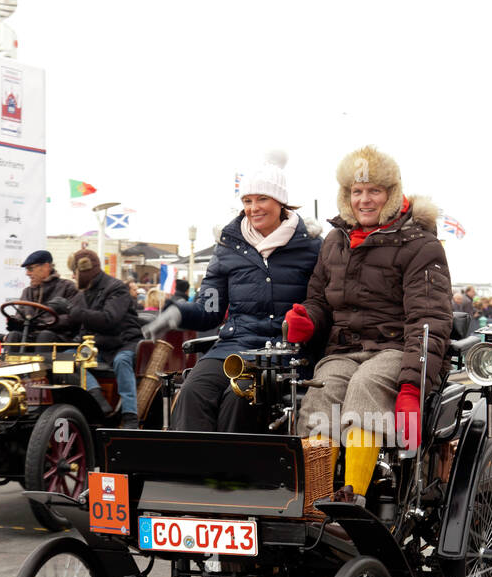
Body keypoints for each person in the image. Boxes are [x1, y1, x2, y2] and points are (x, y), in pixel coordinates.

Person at [287, 143, 453, 504]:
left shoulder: (421, 245)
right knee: (321, 391)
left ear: (391, 195)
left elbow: (428, 320)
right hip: (343, 350)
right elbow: (318, 300)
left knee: (365, 386)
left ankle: (353, 499)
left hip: (396, 350)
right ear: (346, 195)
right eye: (357, 191)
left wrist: (412, 384)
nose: (364, 200)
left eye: (373, 191)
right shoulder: (334, 241)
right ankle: (314, 501)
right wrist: (308, 320)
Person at [147, 152, 321, 432]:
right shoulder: (229, 247)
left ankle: (229, 474)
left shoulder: (311, 248)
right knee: (192, 391)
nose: (254, 208)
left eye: (262, 199)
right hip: (232, 346)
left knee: (239, 397)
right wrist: (177, 312)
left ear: (281, 202)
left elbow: (321, 303)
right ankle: (196, 471)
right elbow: (210, 308)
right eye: (247, 201)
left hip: (283, 352)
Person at [62, 249, 143, 428]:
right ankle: (97, 398)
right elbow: (69, 319)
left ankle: (130, 416)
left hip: (122, 342)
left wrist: (70, 310)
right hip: (97, 346)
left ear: (83, 271)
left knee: (122, 362)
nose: (73, 276)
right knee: (64, 358)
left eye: (75, 272)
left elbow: (109, 318)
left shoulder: (116, 288)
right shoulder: (83, 293)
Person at [9, 250, 79, 343]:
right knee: (14, 336)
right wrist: (15, 322)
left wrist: (41, 322)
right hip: (32, 337)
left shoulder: (68, 287)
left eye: (30, 269)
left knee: (45, 336)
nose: (27, 273)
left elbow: (72, 318)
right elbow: (21, 317)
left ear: (46, 267)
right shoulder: (27, 292)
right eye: (26, 269)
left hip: (59, 339)